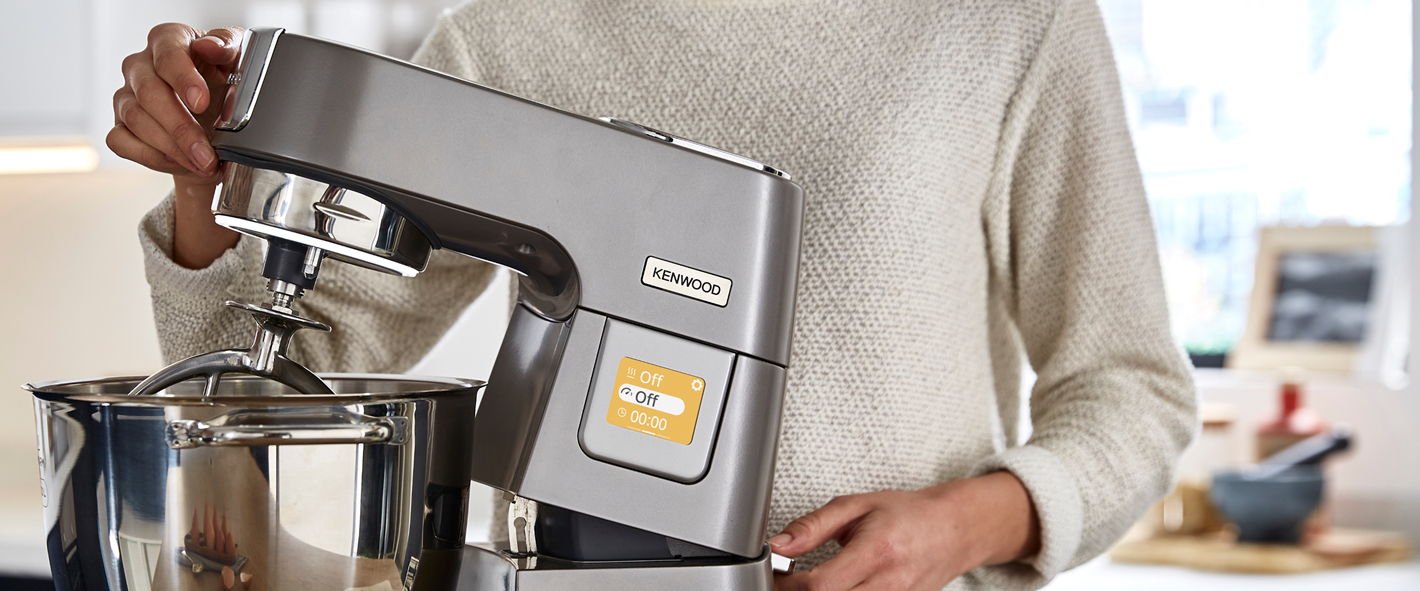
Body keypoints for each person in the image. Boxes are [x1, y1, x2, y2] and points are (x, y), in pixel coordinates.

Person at [111, 1, 1197, 589]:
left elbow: (1132, 390)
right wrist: (203, 178)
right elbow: (282, 387)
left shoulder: (1009, 23)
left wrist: (966, 525)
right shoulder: (509, 34)